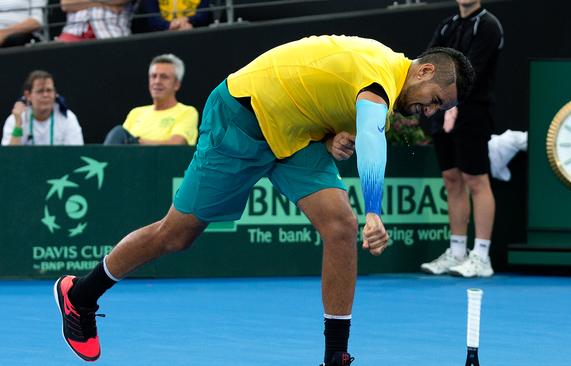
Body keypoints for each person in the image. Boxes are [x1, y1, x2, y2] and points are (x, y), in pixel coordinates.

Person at [53, 35, 474, 365]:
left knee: (340, 226)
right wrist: (375, 210)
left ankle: (335, 357)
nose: (431, 111)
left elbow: (326, 95)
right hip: (243, 117)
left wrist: (332, 134)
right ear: (425, 71)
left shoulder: (381, 82)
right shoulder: (378, 75)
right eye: (436, 100)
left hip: (294, 135)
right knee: (176, 235)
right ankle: (81, 295)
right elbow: (370, 135)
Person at [420, 0, 503, 278]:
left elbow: (472, 72)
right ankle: (457, 252)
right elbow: (429, 62)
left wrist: (453, 106)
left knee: (476, 181)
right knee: (452, 179)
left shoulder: (488, 25)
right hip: (442, 112)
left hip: (473, 114)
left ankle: (481, 256)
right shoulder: (447, 26)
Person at [103, 54, 199, 145]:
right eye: (153, 76)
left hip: (160, 161)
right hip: (128, 160)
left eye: (164, 77)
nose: (157, 81)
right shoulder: (136, 112)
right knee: (118, 132)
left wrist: (135, 142)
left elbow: (175, 145)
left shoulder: (187, 112)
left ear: (177, 84)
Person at [2, 70, 83, 145]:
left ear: (55, 93)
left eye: (49, 90)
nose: (45, 95)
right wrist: (18, 125)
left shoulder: (68, 118)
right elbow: (9, 158)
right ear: (28, 95)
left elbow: (76, 155)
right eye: (40, 91)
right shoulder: (15, 119)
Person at [57, 0, 133, 42]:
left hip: (111, 34)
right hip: (73, 33)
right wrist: (104, 4)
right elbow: (66, 4)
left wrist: (83, 2)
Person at [139, 0, 212, 32]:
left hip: (194, 31)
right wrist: (169, 25)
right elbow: (152, 18)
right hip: (162, 34)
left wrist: (187, 19)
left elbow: (204, 14)